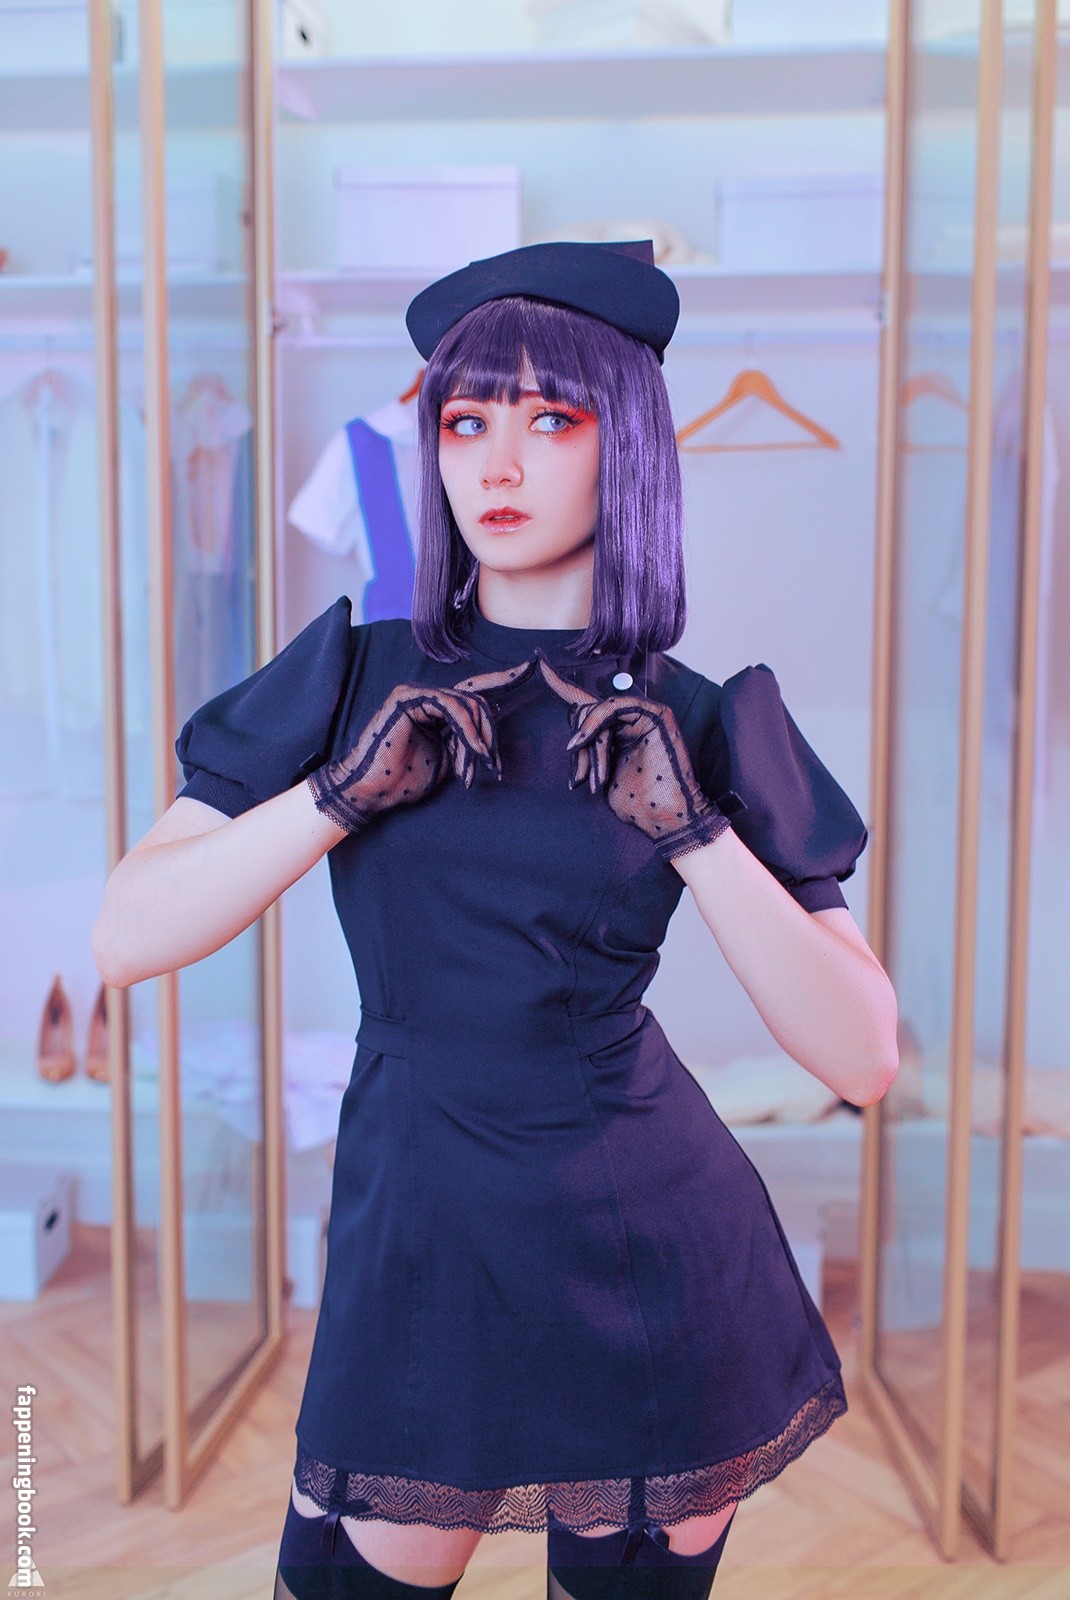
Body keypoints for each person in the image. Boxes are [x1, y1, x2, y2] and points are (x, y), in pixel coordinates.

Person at [91, 240, 898, 1600]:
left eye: (551, 420)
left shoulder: (704, 718)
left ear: (624, 447)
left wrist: (696, 835)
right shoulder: (352, 676)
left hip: (645, 1243)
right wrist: (336, 800)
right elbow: (127, 939)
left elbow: (862, 1057)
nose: (497, 465)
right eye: (466, 422)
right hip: (420, 1229)